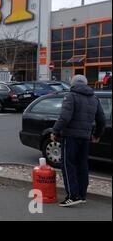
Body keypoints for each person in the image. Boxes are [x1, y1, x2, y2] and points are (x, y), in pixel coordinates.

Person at [51, 75, 106, 207]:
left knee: (68, 165)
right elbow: (102, 120)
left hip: (70, 136)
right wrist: (97, 134)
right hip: (85, 137)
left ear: (73, 84)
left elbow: (64, 117)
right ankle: (82, 195)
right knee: (82, 165)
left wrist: (55, 131)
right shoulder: (94, 98)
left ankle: (72, 195)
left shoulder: (71, 96)